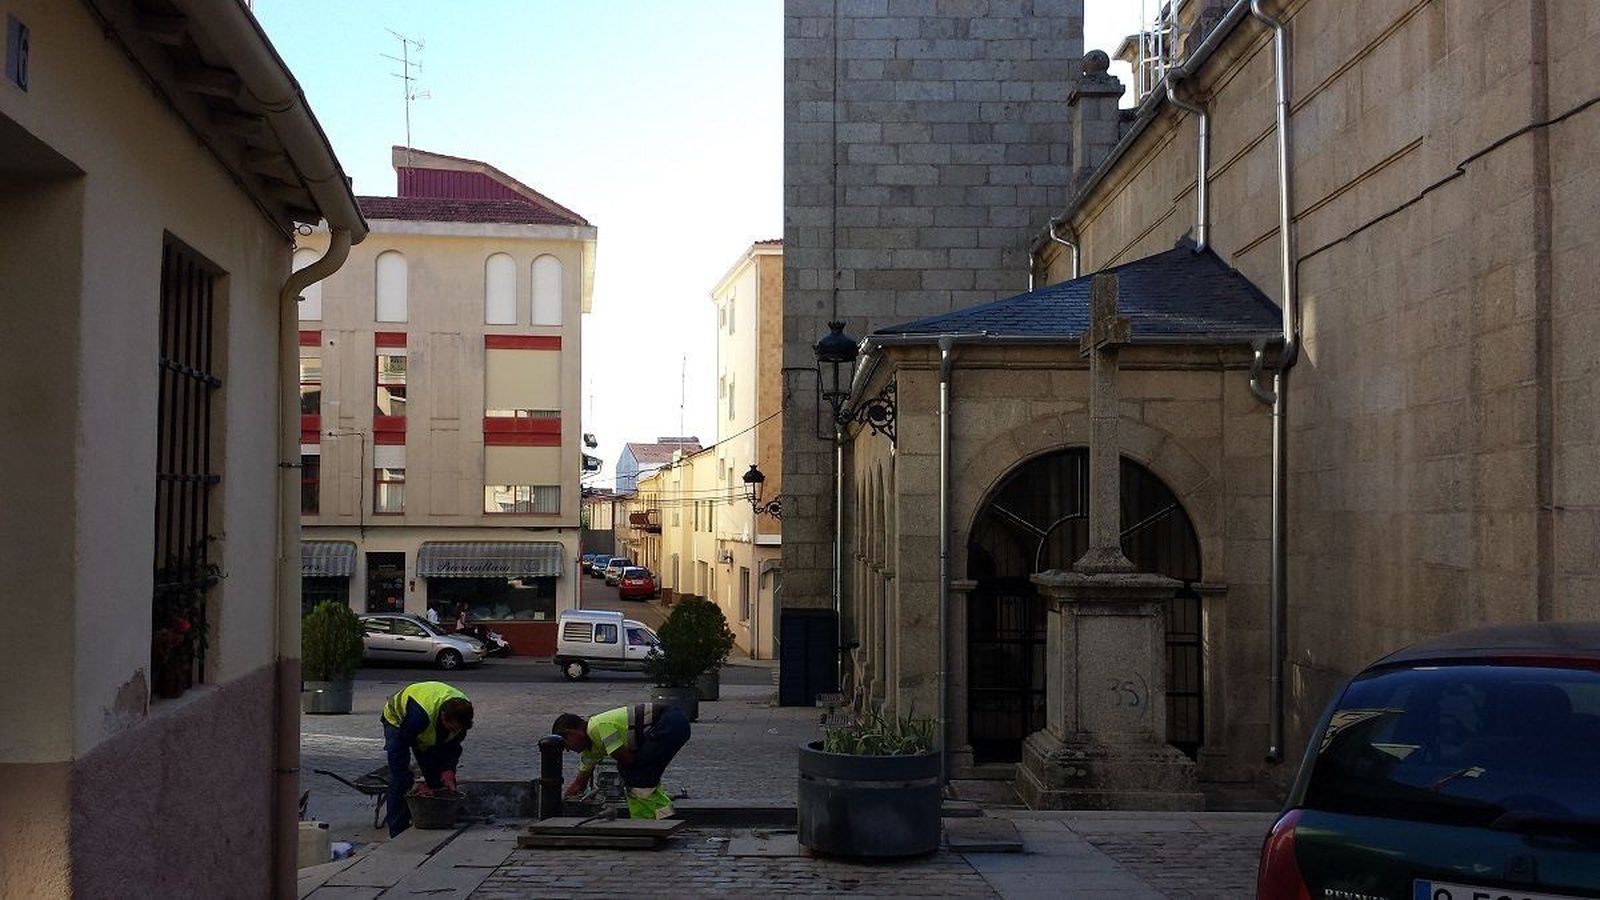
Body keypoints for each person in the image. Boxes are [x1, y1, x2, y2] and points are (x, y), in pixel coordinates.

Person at [554, 703, 690, 819]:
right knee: (644, 776)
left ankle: (649, 821)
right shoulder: (589, 751)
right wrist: (558, 809)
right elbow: (579, 785)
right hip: (671, 723)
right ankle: (661, 816)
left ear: (572, 733)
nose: (568, 750)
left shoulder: (598, 727)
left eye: (566, 745)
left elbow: (627, 760)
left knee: (638, 774)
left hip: (670, 721)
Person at [380, 681, 474, 836]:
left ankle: (436, 817)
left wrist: (448, 770)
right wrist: (412, 782)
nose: (454, 731)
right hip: (397, 721)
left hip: (426, 726)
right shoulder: (419, 717)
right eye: (451, 727)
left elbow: (453, 747)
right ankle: (398, 832)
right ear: (443, 716)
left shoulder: (461, 718)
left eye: (457, 729)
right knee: (400, 781)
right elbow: (400, 751)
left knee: (437, 778)